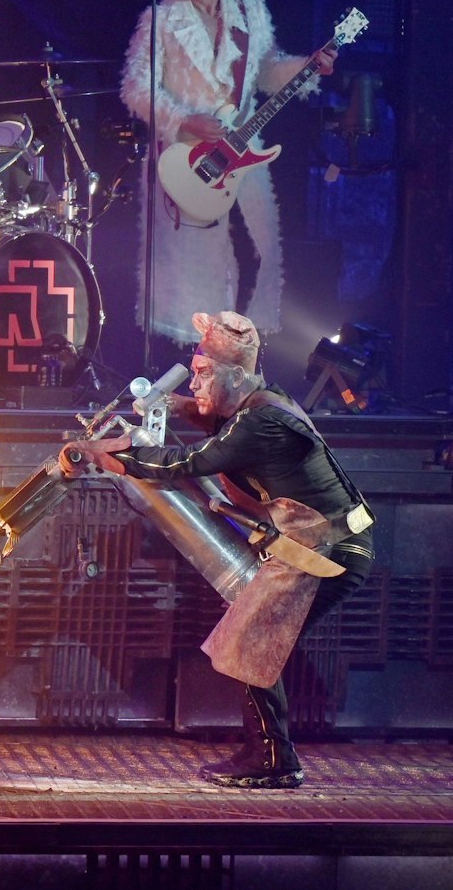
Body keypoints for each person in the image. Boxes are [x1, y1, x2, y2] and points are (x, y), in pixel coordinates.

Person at [66, 311, 375, 788]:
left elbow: (186, 461)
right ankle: (272, 756)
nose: (195, 382)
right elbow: (221, 421)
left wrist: (104, 453)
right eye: (193, 372)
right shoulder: (266, 402)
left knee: (250, 639)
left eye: (204, 373)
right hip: (323, 544)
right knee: (251, 638)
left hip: (327, 551)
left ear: (235, 376)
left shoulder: (260, 421)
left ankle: (272, 760)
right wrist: (177, 406)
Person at [120, 0, 335, 344]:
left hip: (244, 154)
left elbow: (266, 71)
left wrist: (308, 67)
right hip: (188, 162)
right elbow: (136, 88)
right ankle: (189, 356)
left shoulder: (251, 13)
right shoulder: (161, 18)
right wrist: (186, 120)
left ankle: (246, 352)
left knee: (257, 253)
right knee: (192, 275)